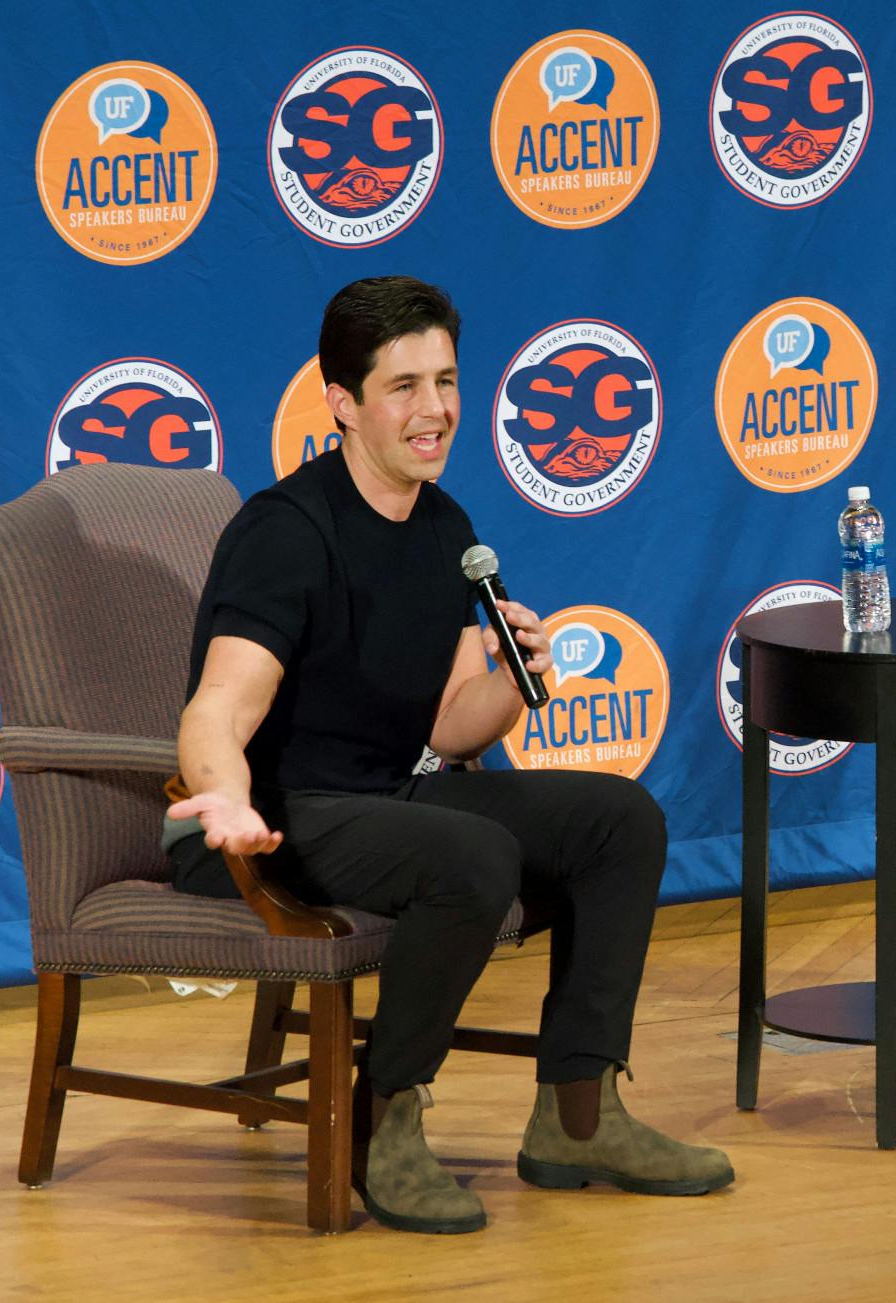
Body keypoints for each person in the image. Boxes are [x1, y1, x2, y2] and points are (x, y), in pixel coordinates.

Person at [163, 276, 732, 1233]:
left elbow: (444, 730)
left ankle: (578, 1117)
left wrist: (514, 679)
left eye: (447, 381)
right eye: (404, 387)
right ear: (342, 403)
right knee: (473, 854)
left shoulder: (445, 529)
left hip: (387, 799)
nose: (435, 411)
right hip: (273, 820)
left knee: (619, 822)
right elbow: (219, 703)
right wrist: (225, 800)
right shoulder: (286, 531)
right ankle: (381, 1118)